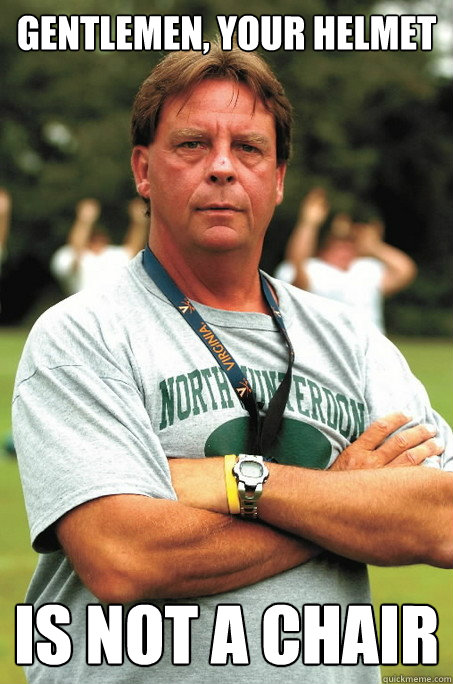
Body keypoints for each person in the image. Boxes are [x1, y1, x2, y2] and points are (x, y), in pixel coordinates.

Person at [13, 45, 452, 684]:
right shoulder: (83, 336)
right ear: (142, 169)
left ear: (277, 178)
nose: (222, 167)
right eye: (192, 145)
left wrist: (233, 483)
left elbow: (440, 520)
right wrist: (345, 496)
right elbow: (122, 556)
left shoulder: (350, 343)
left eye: (248, 148)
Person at [275, 188, 417, 332]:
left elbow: (405, 271)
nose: (346, 249)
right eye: (339, 243)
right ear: (324, 244)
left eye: (351, 242)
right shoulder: (310, 269)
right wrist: (309, 224)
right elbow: (297, 279)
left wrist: (374, 246)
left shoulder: (366, 269)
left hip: (372, 350)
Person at [50, 196, 147, 295]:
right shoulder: (66, 255)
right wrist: (84, 222)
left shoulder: (112, 255)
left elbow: (133, 249)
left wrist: (139, 222)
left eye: (101, 238)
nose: (98, 241)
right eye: (94, 238)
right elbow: (76, 254)